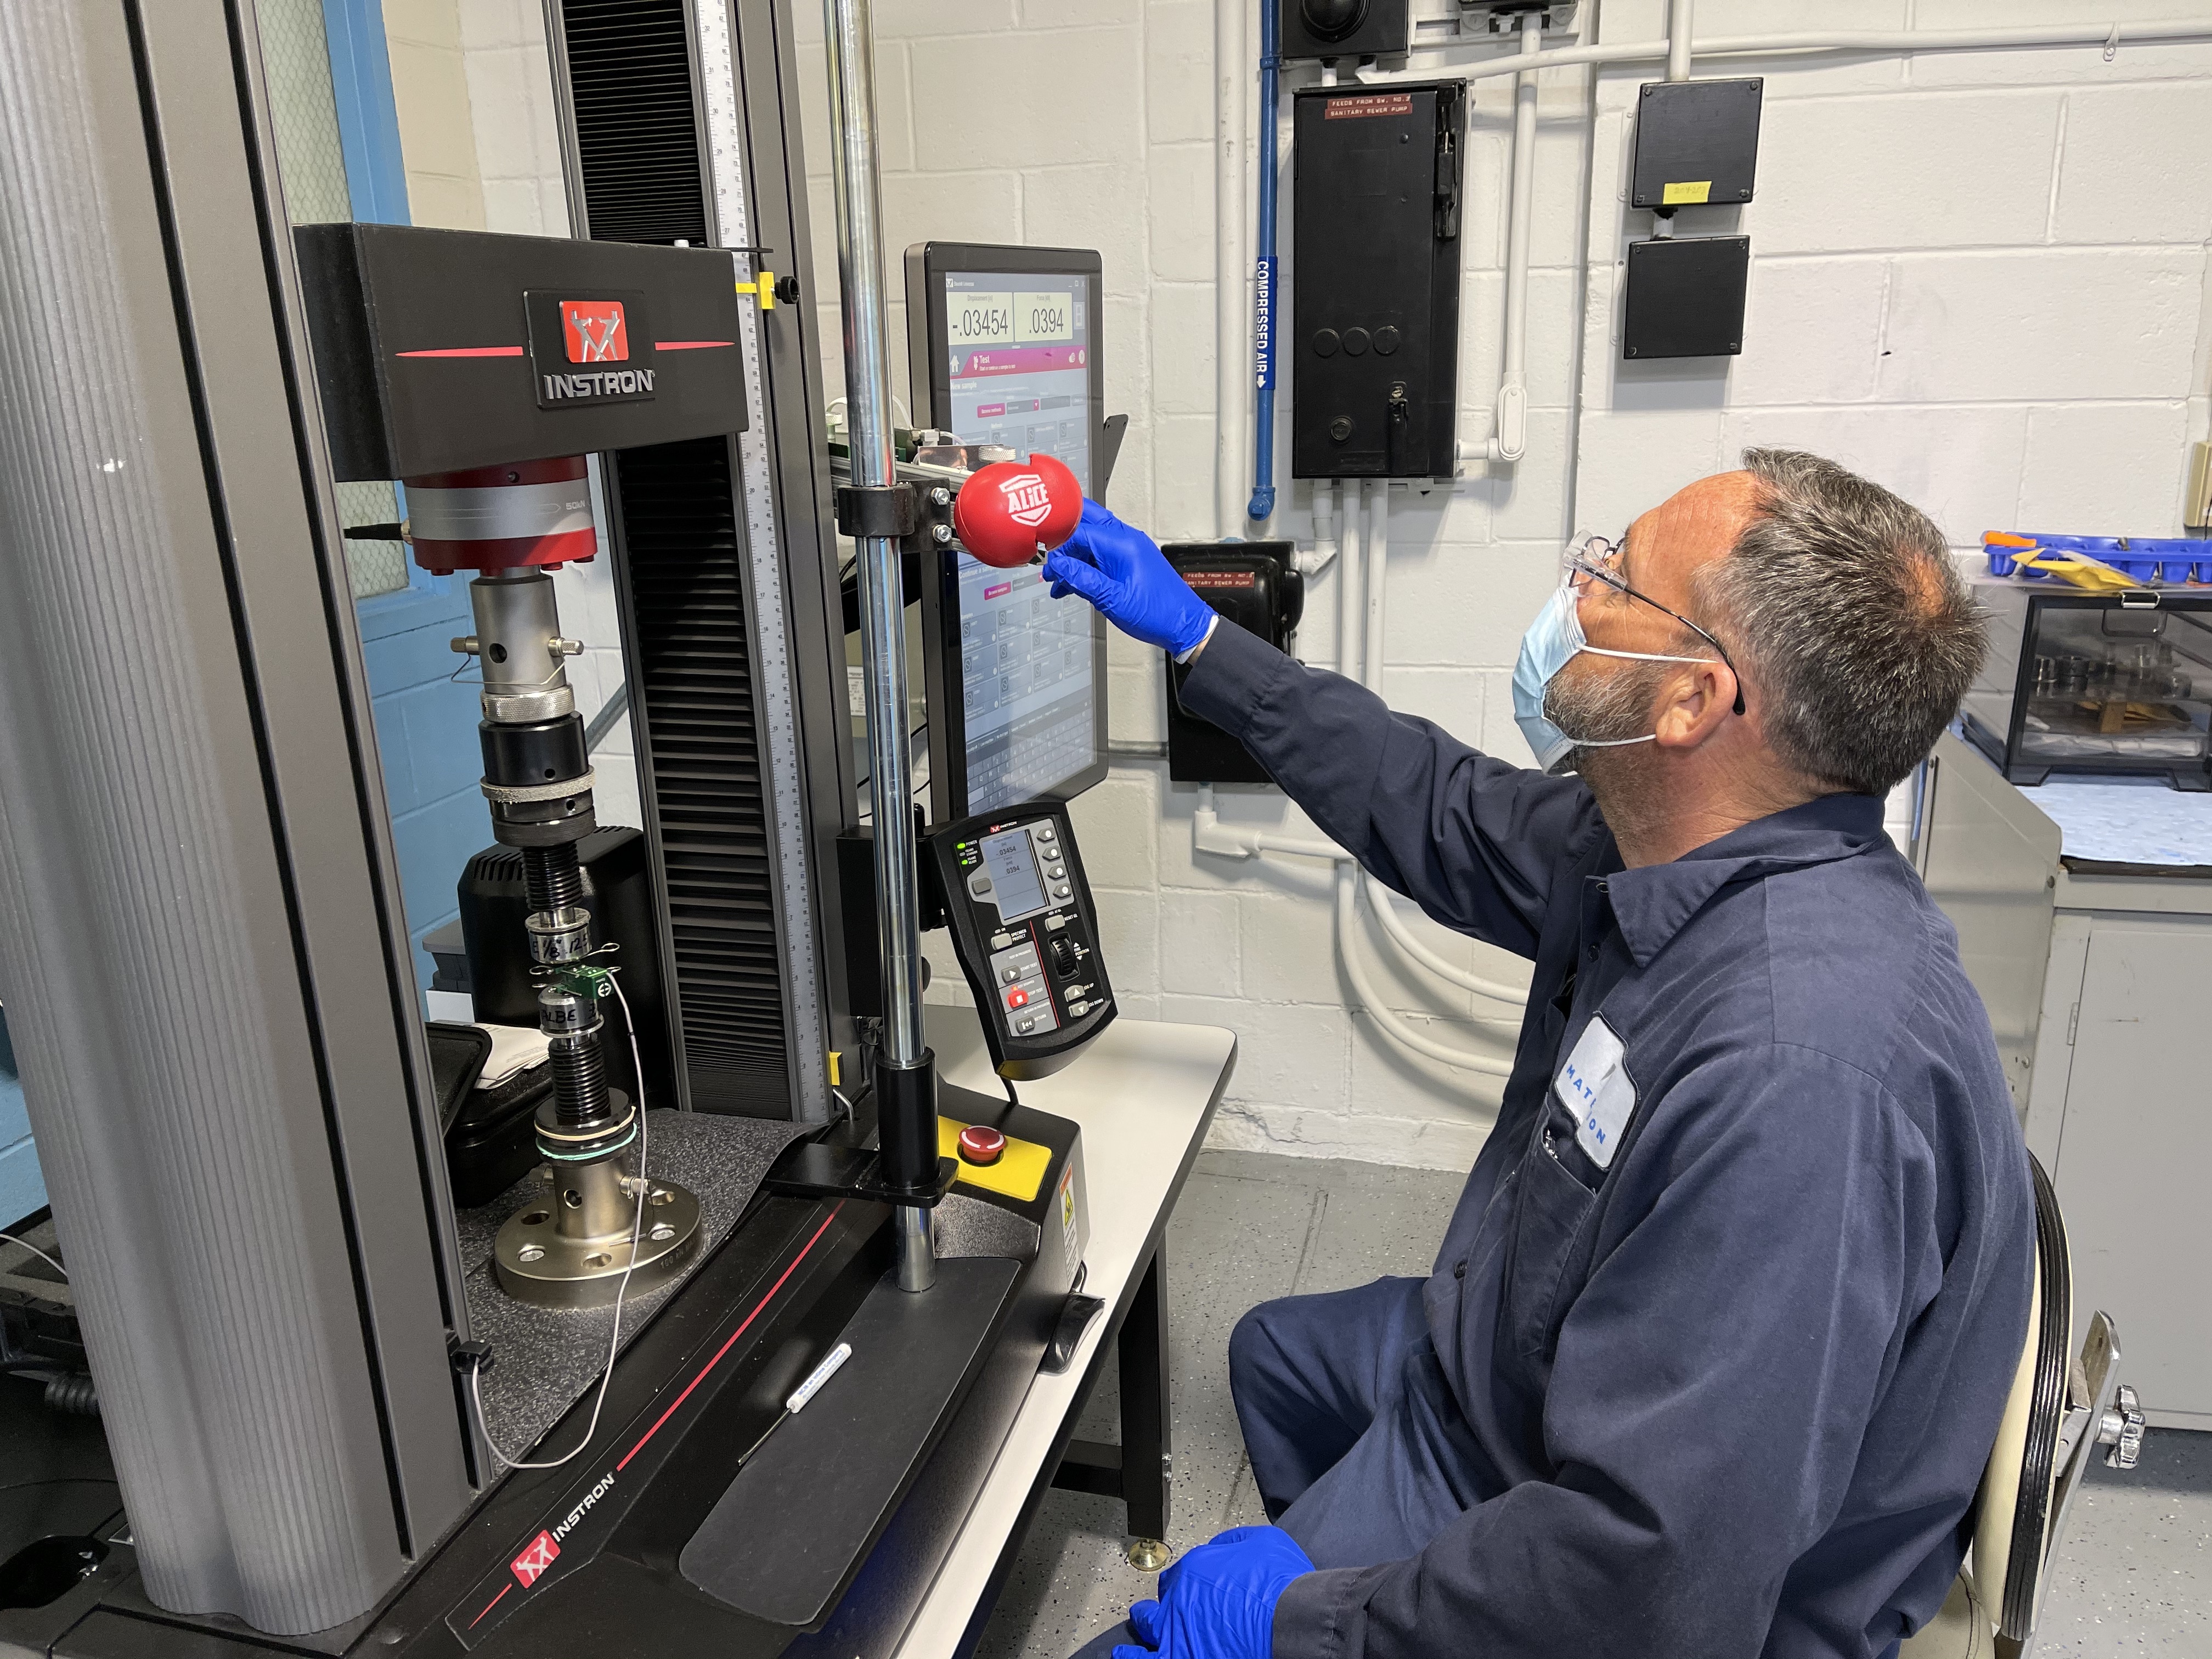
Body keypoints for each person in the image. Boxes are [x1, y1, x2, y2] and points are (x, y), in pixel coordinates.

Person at [1045, 450, 2034, 1659]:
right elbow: (1435, 802)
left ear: (1695, 702)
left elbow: (1648, 1581)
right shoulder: (1674, 845)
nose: (1579, 591)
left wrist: (1308, 1620)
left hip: (1623, 1543)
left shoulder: (1796, 1078)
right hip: (1523, 1372)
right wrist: (1205, 639)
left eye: (1617, 577)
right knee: (1279, 1358)